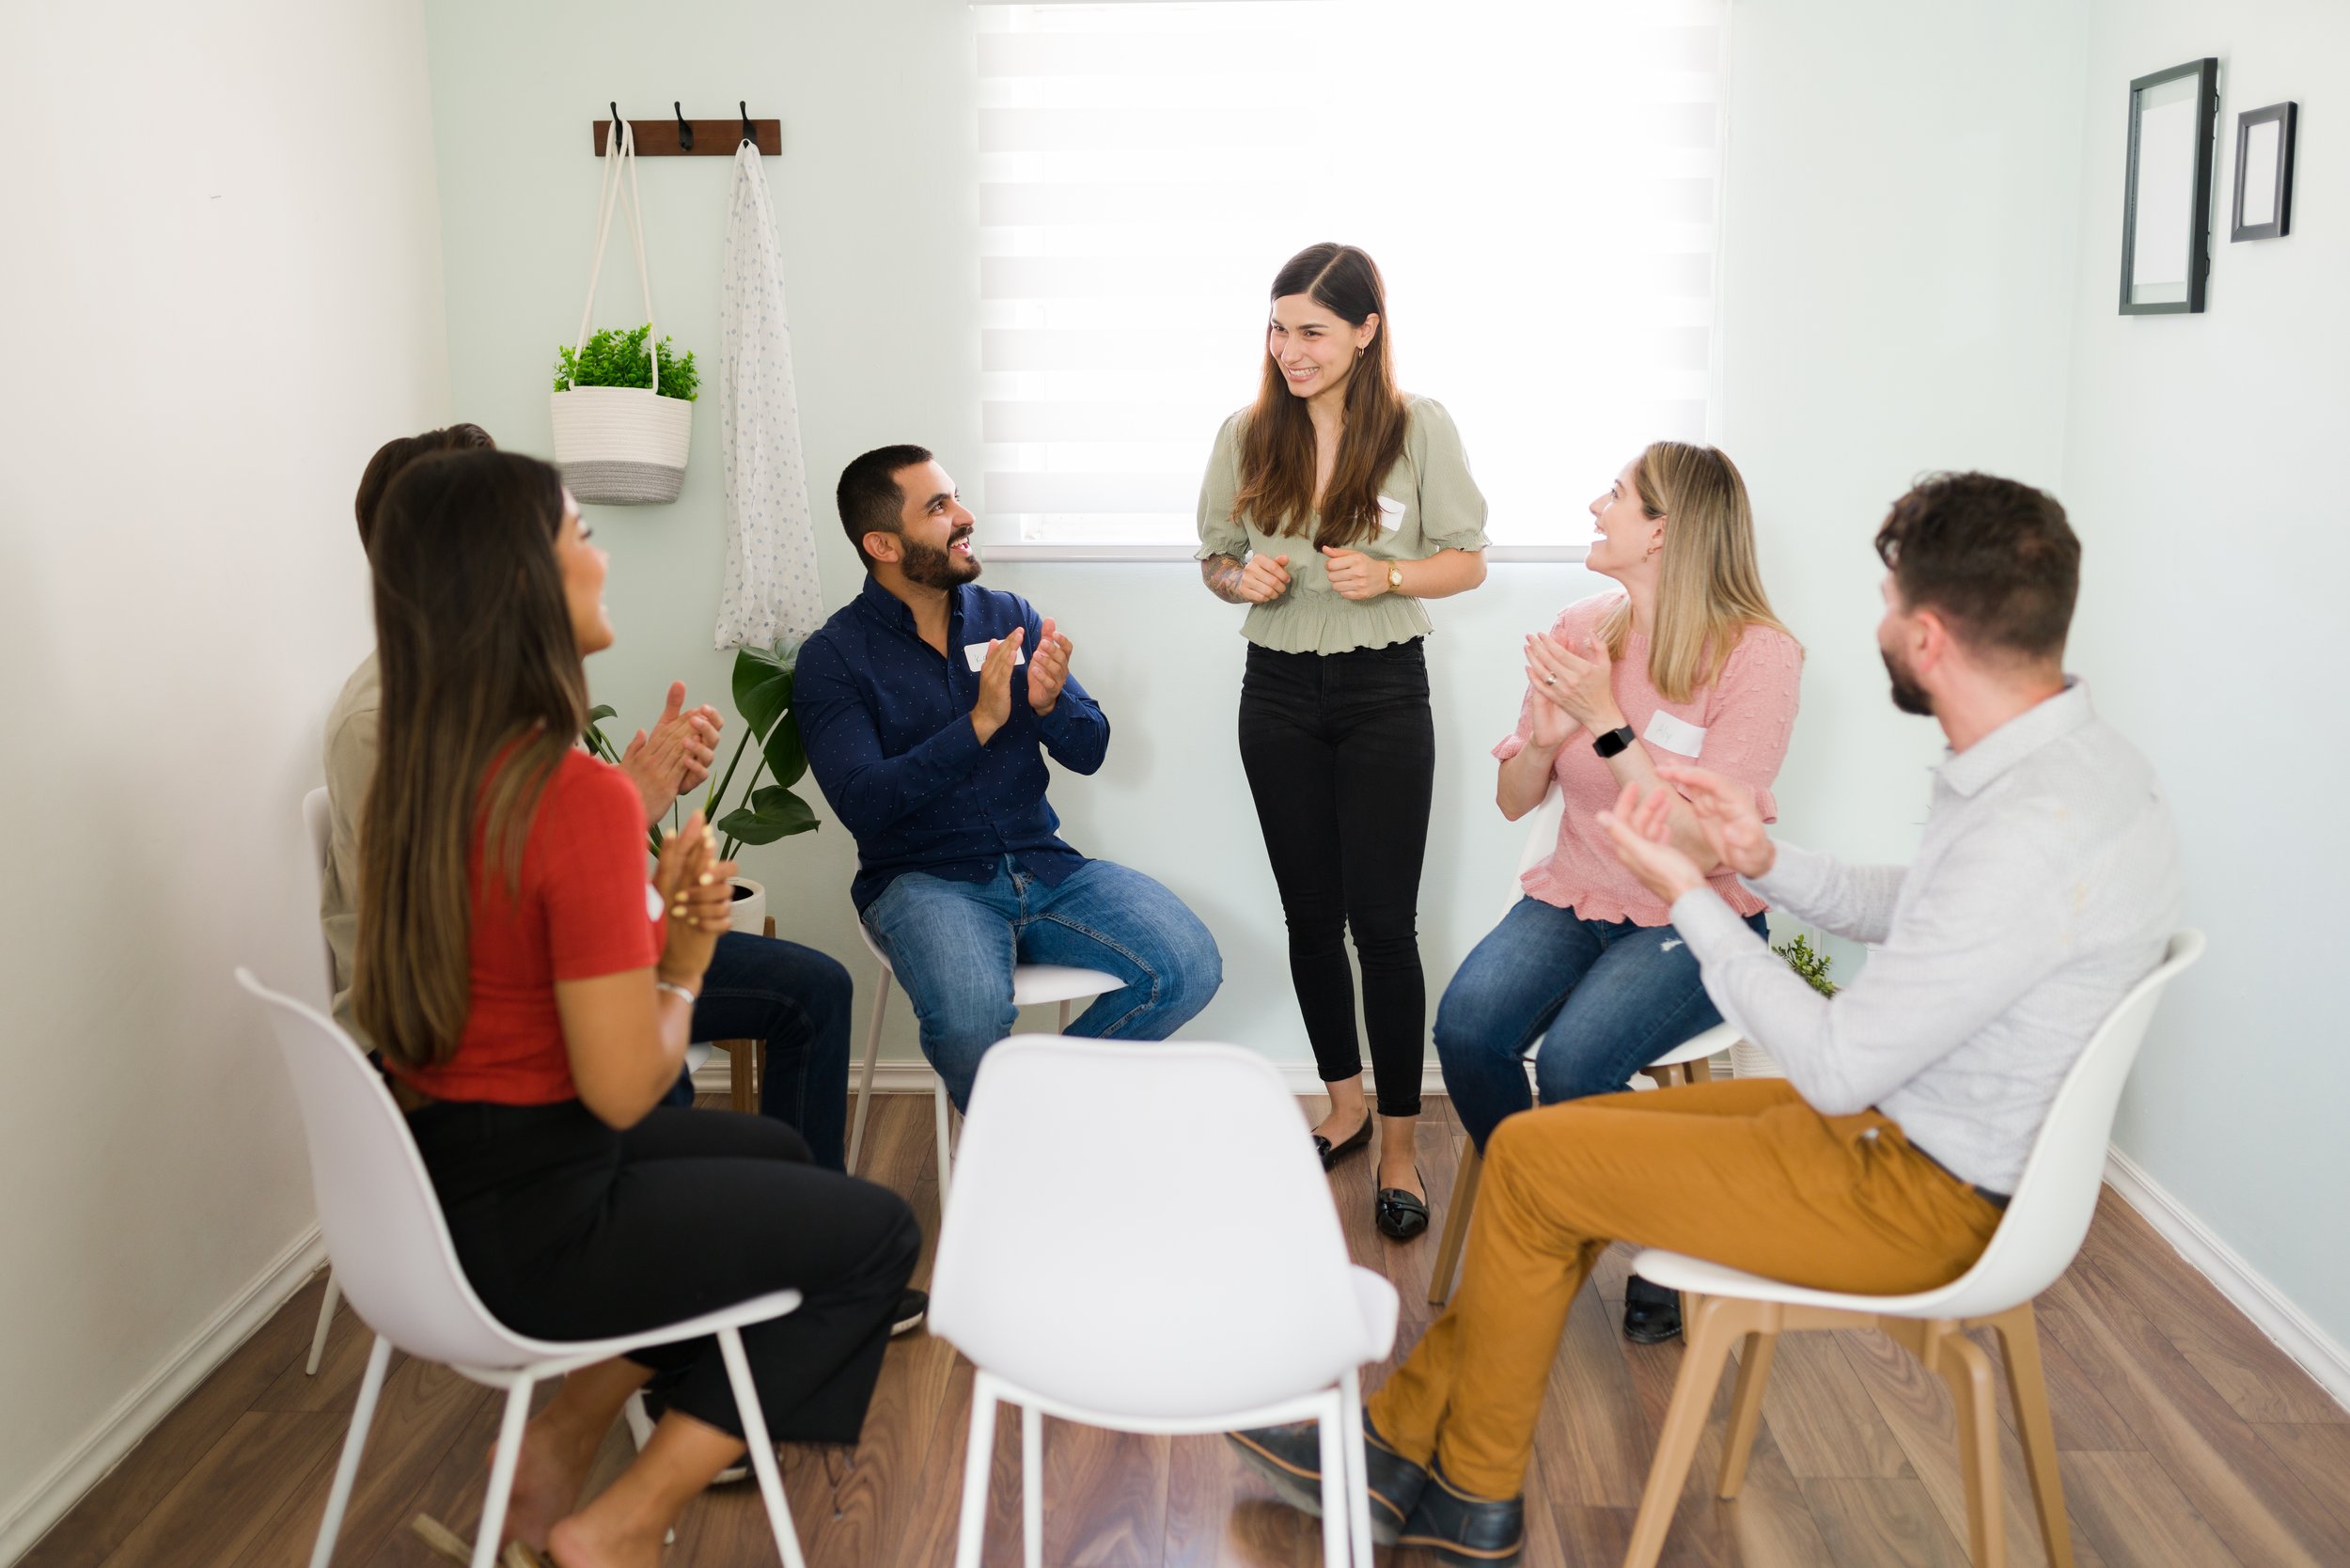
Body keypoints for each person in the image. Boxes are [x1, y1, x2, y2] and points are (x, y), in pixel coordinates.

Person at [1229, 473, 2182, 1566]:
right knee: (1540, 1143)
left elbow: (1831, 1064)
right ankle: (1407, 1456)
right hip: (1911, 1133)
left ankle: (1463, 1488)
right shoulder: (2077, 770)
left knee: (1538, 1167)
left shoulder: (2025, 826)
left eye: (1884, 601)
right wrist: (1763, 861)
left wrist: (1687, 890)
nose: (1872, 622)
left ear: (1927, 636)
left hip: (1920, 1186)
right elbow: (1919, 902)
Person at [355, 449, 919, 1568]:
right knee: (875, 1239)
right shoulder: (569, 794)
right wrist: (689, 946)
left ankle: (558, 1439)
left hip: (442, 1186)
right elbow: (624, 1088)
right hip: (537, 1225)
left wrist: (647, 899)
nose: (598, 554)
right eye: (579, 534)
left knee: (775, 1154)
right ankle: (622, 1521)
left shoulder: (429, 775)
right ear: (521, 581)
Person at [321, 425, 863, 1175]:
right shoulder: (383, 718)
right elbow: (479, 913)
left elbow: (549, 845)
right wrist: (636, 835)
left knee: (814, 988)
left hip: (558, 970)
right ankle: (691, 1220)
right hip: (472, 1026)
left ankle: (784, 1223)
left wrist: (638, 788)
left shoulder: (499, 682)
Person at [1434, 441, 1801, 1341]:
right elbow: (1515, 795)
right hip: (1575, 894)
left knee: (1573, 1067)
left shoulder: (1761, 656)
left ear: (1665, 531)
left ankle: (1659, 1232)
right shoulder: (1584, 624)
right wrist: (1541, 738)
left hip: (1696, 914)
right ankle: (1561, 1220)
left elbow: (1694, 842)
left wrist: (1602, 721)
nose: (1597, 508)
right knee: (1467, 1032)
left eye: (1616, 496)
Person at [1195, 243, 1489, 1240]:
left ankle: (1402, 1147)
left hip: (1381, 693)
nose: (1289, 350)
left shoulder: (1419, 428)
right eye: (1277, 330)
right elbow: (1215, 558)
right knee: (1309, 918)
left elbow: (1466, 560)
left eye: (1311, 331)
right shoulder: (1246, 433)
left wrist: (1392, 577)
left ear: (1367, 331)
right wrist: (1242, 582)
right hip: (1273, 690)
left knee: (1386, 927)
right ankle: (1345, 1104)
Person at [795, 445, 1223, 1111]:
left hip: (1044, 866)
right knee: (968, 1025)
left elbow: (1090, 751)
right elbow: (863, 802)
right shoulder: (833, 657)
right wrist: (979, 724)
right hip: (923, 881)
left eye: (956, 496)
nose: (965, 516)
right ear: (882, 543)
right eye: (938, 507)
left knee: (1188, 965)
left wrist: (1051, 706)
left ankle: (1031, 1123)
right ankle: (1038, 1148)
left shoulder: (1008, 616)